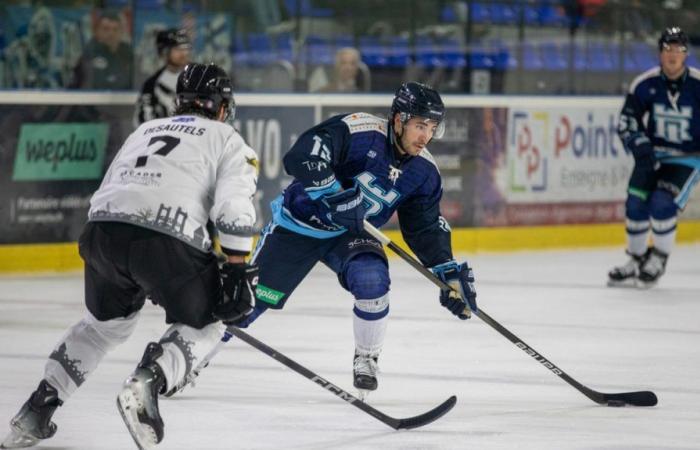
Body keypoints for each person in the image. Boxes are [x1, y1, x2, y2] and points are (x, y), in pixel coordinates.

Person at [1, 63, 259, 450]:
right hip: (164, 240)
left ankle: (37, 408)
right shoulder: (228, 139)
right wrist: (236, 269)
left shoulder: (146, 129)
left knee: (102, 326)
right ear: (222, 107)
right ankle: (148, 381)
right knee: (207, 323)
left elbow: (116, 188)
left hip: (102, 234)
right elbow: (234, 208)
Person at [231, 81, 477, 397]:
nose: (425, 136)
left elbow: (425, 228)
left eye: (432, 128)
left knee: (373, 279)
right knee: (244, 305)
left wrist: (446, 271)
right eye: (419, 125)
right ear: (399, 119)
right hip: (299, 224)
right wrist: (333, 194)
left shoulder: (425, 172)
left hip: (351, 234)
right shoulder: (361, 131)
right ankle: (188, 358)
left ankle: (367, 358)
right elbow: (303, 153)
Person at [608, 27, 700, 288]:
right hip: (653, 155)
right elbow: (627, 121)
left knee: (662, 203)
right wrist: (641, 147)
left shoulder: (697, 85)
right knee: (635, 203)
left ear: (686, 54)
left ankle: (658, 257)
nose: (673, 54)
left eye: (679, 49)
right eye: (668, 48)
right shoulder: (644, 84)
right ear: (660, 52)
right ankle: (636, 259)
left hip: (688, 158)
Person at [134, 28, 192, 127]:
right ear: (164, 52)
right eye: (177, 49)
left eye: (186, 48)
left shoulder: (199, 78)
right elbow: (142, 121)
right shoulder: (152, 84)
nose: (184, 53)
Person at [71, 11, 133, 90]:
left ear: (121, 32)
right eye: (106, 29)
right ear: (97, 31)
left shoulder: (128, 54)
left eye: (115, 29)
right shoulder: (89, 53)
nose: (111, 33)